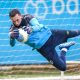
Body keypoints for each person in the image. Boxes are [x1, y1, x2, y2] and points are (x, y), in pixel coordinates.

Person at [9, 9, 80, 71]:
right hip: (44, 48)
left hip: (51, 35)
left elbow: (39, 26)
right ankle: (64, 48)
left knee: (75, 33)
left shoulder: (27, 17)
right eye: (13, 21)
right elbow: (12, 45)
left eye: (17, 20)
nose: (16, 23)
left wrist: (31, 28)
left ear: (20, 16)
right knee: (63, 67)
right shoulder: (13, 30)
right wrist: (12, 38)